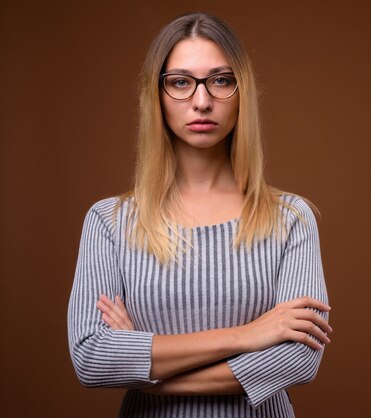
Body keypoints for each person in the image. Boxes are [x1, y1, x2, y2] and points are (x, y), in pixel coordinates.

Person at [67, 12, 331, 418]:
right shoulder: (109, 222)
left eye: (221, 80)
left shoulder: (290, 219)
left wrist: (145, 364)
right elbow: (91, 357)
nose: (202, 100)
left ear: (242, 91)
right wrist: (247, 335)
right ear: (156, 95)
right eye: (180, 82)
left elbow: (298, 360)